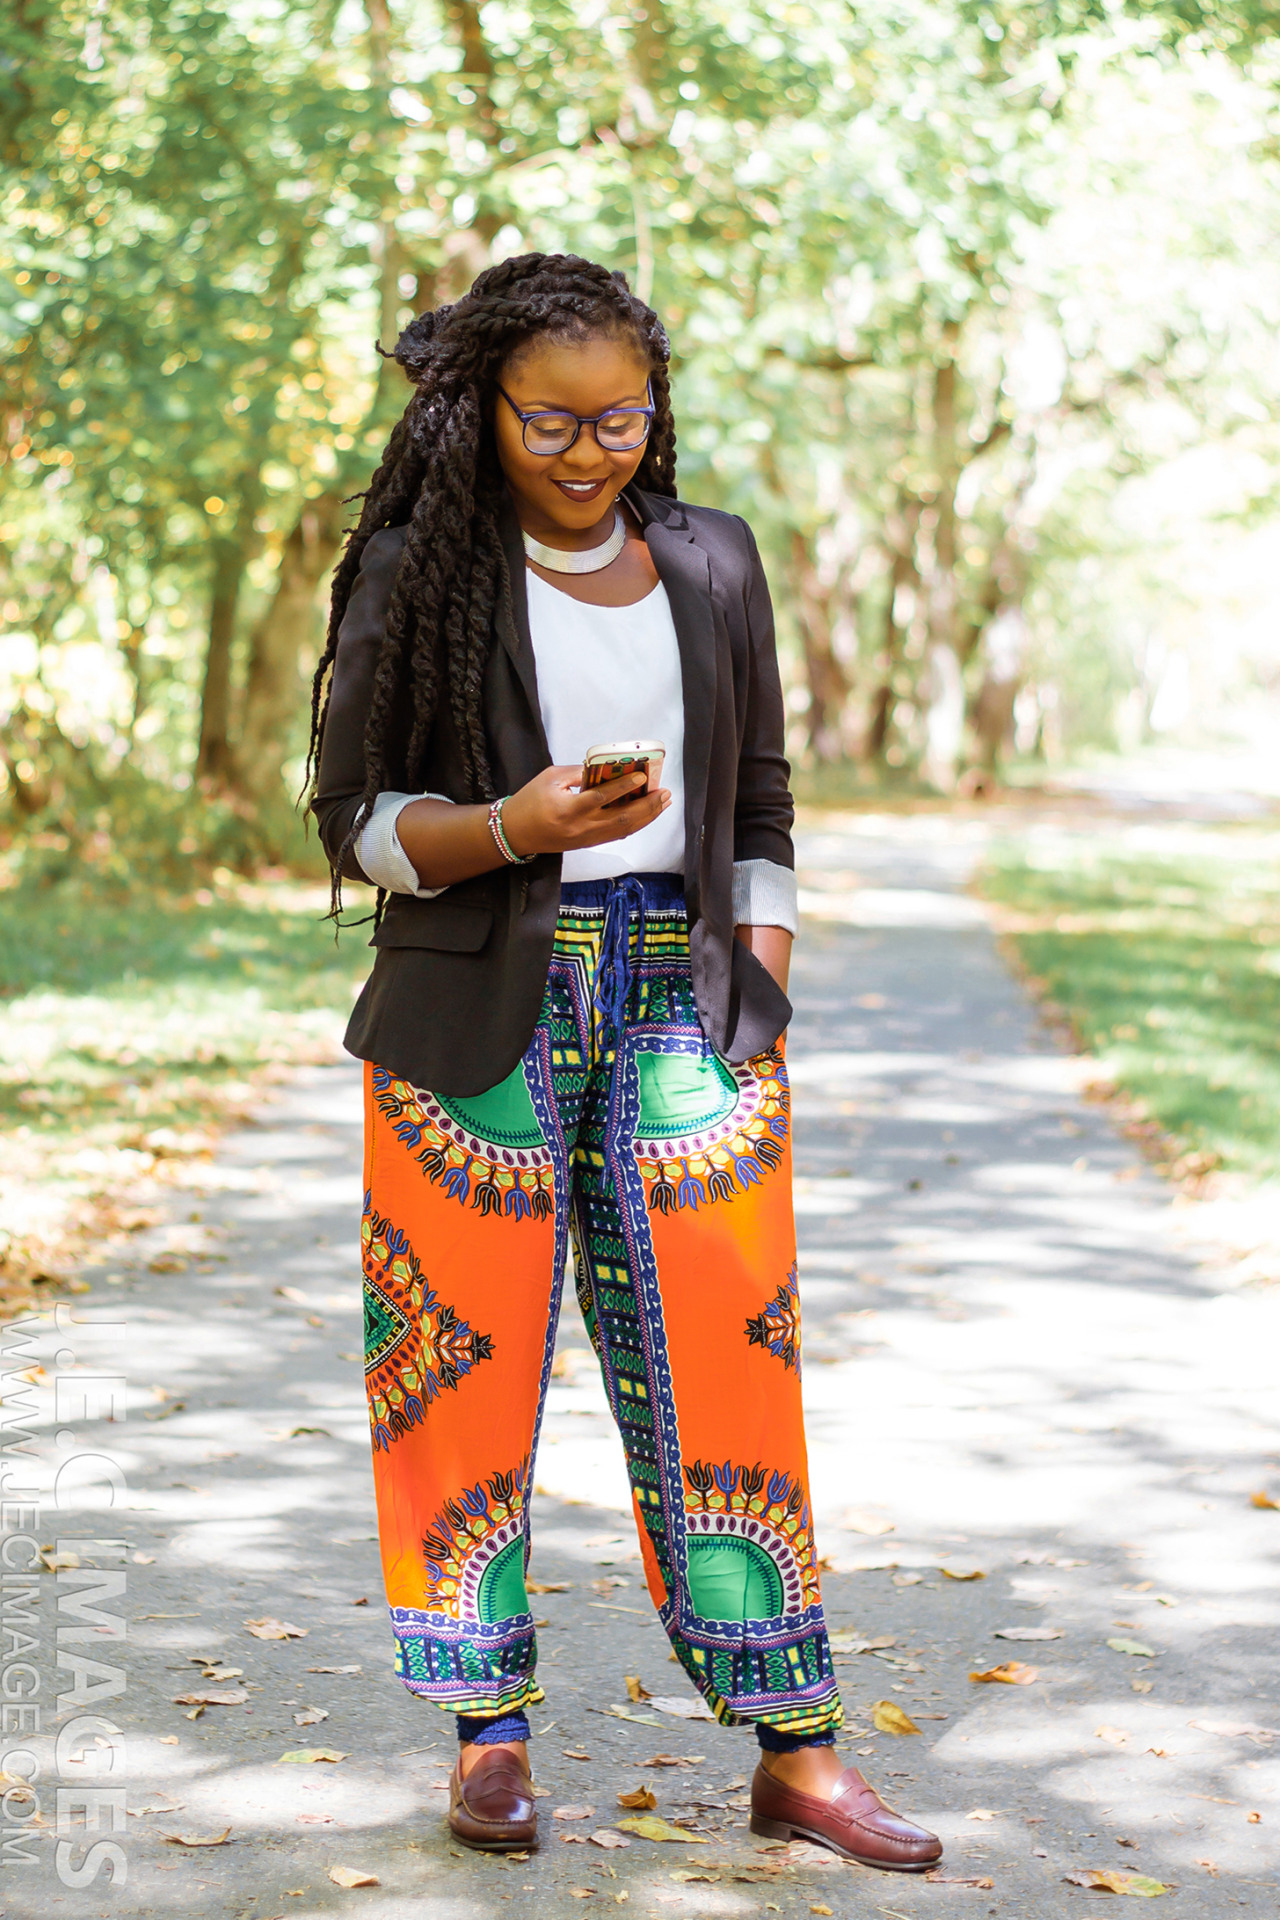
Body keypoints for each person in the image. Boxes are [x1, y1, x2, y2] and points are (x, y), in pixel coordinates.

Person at [308, 252, 942, 1873]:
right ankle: (491, 1740)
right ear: (483, 414)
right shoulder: (422, 564)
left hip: (688, 991)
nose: (590, 450)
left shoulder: (712, 563)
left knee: (734, 1365)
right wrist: (518, 824)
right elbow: (355, 822)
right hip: (477, 1008)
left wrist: (765, 973)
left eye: (620, 417)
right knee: (460, 1372)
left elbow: (767, 799)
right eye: (552, 421)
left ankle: (796, 1750)